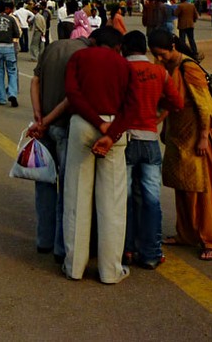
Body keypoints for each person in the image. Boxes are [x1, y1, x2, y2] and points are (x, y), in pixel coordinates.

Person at [148, 29, 212, 262]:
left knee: (204, 188)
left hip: (198, 134)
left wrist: (204, 137)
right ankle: (186, 233)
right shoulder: (169, 67)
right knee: (183, 186)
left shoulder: (189, 67)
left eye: (161, 54)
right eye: (154, 55)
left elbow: (205, 105)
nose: (158, 59)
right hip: (179, 135)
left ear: (172, 48)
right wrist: (166, 128)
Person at [61, 25, 135, 284]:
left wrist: (96, 122)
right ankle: (110, 271)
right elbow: (131, 105)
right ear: (117, 47)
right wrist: (111, 132)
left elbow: (72, 94)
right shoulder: (123, 65)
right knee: (112, 204)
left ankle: (74, 267)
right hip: (113, 127)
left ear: (92, 42)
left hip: (82, 124)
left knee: (77, 197)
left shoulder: (79, 57)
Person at [118, 31, 183, 270]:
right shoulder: (160, 72)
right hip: (150, 141)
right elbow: (177, 103)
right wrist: (159, 114)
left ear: (124, 48)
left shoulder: (121, 69)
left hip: (125, 140)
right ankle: (152, 253)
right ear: (145, 49)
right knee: (151, 200)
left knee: (123, 198)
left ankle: (126, 249)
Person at [28, 23, 87, 260]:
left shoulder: (50, 49)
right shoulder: (82, 52)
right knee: (68, 186)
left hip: (44, 125)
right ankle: (62, 246)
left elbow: (35, 81)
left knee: (44, 183)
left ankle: (44, 239)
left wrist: (39, 116)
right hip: (65, 125)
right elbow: (73, 97)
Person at [0, 0, 21, 107]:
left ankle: (1, 98)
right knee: (12, 72)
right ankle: (12, 93)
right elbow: (17, 34)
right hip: (9, 47)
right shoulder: (11, 19)